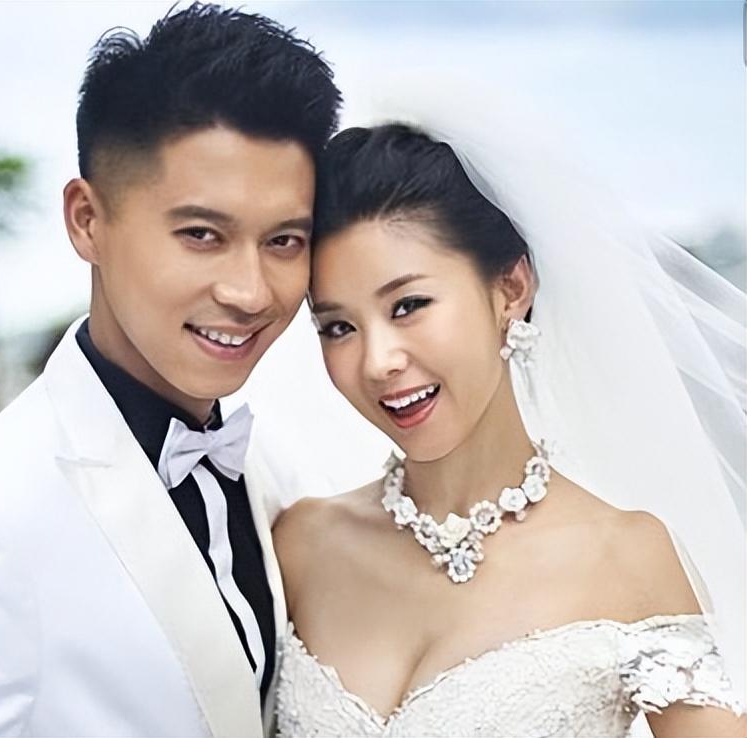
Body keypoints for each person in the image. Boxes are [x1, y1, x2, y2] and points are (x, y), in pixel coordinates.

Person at [0, 4, 340, 736]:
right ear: (87, 220)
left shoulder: (269, 463)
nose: (250, 292)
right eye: (201, 234)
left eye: (283, 241)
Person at [273, 122, 746, 737]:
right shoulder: (300, 544)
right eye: (338, 327)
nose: (377, 361)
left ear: (511, 289)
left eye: (408, 306)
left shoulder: (629, 559)